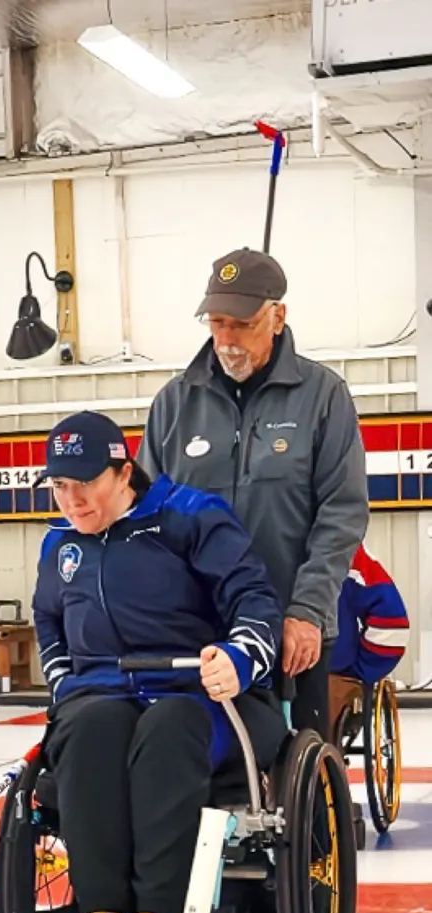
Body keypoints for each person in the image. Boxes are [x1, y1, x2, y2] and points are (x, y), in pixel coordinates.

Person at [32, 411, 285, 913]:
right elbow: (49, 622)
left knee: (166, 732)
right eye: (59, 488)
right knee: (90, 733)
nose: (73, 501)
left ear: (124, 471)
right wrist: (66, 681)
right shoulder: (59, 544)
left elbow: (253, 598)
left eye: (85, 484)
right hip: (102, 693)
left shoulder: (189, 517)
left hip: (195, 694)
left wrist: (239, 656)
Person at [137, 247, 369, 739]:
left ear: (277, 316)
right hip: (199, 631)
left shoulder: (323, 396)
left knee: (300, 769)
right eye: (216, 323)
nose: (226, 340)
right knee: (196, 763)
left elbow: (342, 513)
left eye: (240, 324)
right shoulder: (174, 405)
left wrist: (306, 612)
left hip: (293, 630)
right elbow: (145, 519)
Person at [329, 542, 410, 729]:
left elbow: (392, 627)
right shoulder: (343, 545)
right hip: (327, 673)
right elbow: (392, 625)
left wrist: (353, 672)